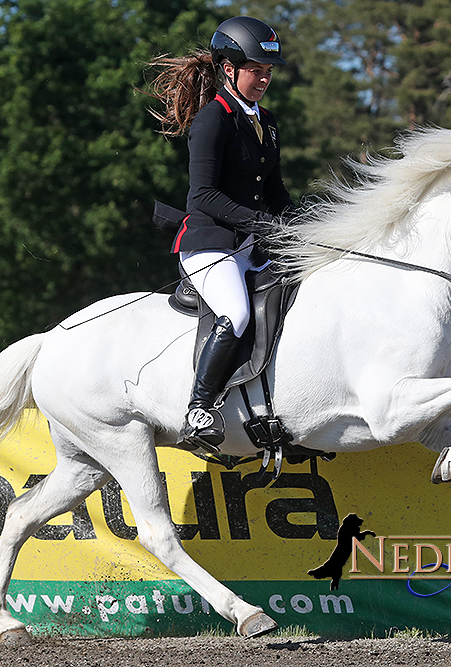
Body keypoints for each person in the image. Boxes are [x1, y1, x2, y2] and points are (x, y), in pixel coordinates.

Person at [150, 17, 295, 452]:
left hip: (248, 246)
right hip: (208, 243)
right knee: (236, 313)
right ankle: (199, 409)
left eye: (269, 71)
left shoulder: (266, 123)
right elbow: (204, 197)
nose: (265, 79)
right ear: (228, 69)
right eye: (256, 70)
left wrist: (304, 223)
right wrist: (260, 223)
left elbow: (276, 192)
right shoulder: (212, 120)